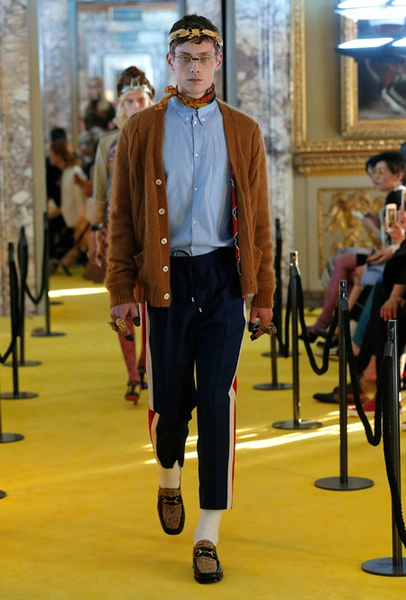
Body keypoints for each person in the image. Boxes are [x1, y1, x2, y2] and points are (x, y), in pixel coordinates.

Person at [105, 14, 275, 584]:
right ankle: (168, 477)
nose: (196, 67)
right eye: (186, 58)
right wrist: (122, 290)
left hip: (223, 277)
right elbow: (123, 217)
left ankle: (208, 533)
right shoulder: (141, 130)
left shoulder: (244, 130)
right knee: (171, 403)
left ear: (218, 62)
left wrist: (264, 294)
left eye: (205, 57)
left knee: (218, 402)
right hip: (166, 279)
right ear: (171, 62)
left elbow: (259, 221)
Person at [86, 66, 155, 403]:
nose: (136, 106)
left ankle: (146, 364)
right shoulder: (108, 144)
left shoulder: (161, 137)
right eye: (130, 101)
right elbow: (99, 190)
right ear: (121, 106)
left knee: (152, 300)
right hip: (116, 232)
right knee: (122, 298)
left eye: (141, 100)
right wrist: (93, 233)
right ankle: (132, 373)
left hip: (154, 231)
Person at [304, 151, 406, 343]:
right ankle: (339, 329)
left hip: (396, 259)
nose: (375, 177)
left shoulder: (397, 196)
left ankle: (332, 325)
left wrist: (372, 227)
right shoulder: (395, 196)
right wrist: (376, 224)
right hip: (393, 256)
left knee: (345, 261)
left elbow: (394, 241)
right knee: (349, 268)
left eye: (381, 172)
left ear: (398, 174)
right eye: (373, 173)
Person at [48, 139, 88, 271]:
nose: (49, 157)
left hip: (77, 220)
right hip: (72, 218)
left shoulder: (74, 172)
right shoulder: (67, 172)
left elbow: (80, 200)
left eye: (51, 154)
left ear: (58, 155)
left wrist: (80, 223)